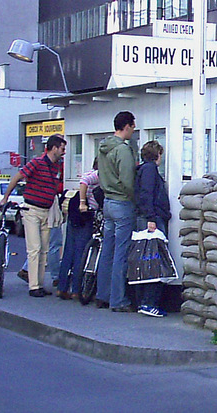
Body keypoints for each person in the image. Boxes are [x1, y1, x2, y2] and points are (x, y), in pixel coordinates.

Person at [1, 134, 66, 297]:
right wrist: (5, 197)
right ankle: (34, 286)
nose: (64, 152)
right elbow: (18, 176)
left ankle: (39, 284)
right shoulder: (37, 163)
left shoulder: (56, 167)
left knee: (44, 249)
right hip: (31, 210)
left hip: (46, 210)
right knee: (34, 248)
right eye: (62, 149)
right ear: (54, 148)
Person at [95, 111, 137, 312]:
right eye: (133, 127)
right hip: (122, 202)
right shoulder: (123, 150)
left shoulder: (103, 147)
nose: (134, 131)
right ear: (127, 126)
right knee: (121, 253)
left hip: (108, 202)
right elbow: (128, 180)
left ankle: (102, 294)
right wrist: (134, 198)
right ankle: (118, 299)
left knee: (107, 251)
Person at [134, 141, 172, 317]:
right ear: (157, 154)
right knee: (154, 262)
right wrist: (151, 218)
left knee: (146, 261)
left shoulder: (143, 169)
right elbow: (147, 194)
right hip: (153, 218)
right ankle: (149, 302)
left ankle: (144, 302)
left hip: (150, 217)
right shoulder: (150, 170)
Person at [57, 158, 100, 299]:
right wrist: (83, 203)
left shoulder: (92, 172)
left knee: (69, 250)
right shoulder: (98, 175)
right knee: (80, 253)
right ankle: (76, 289)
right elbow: (84, 182)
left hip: (74, 215)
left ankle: (62, 287)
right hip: (84, 215)